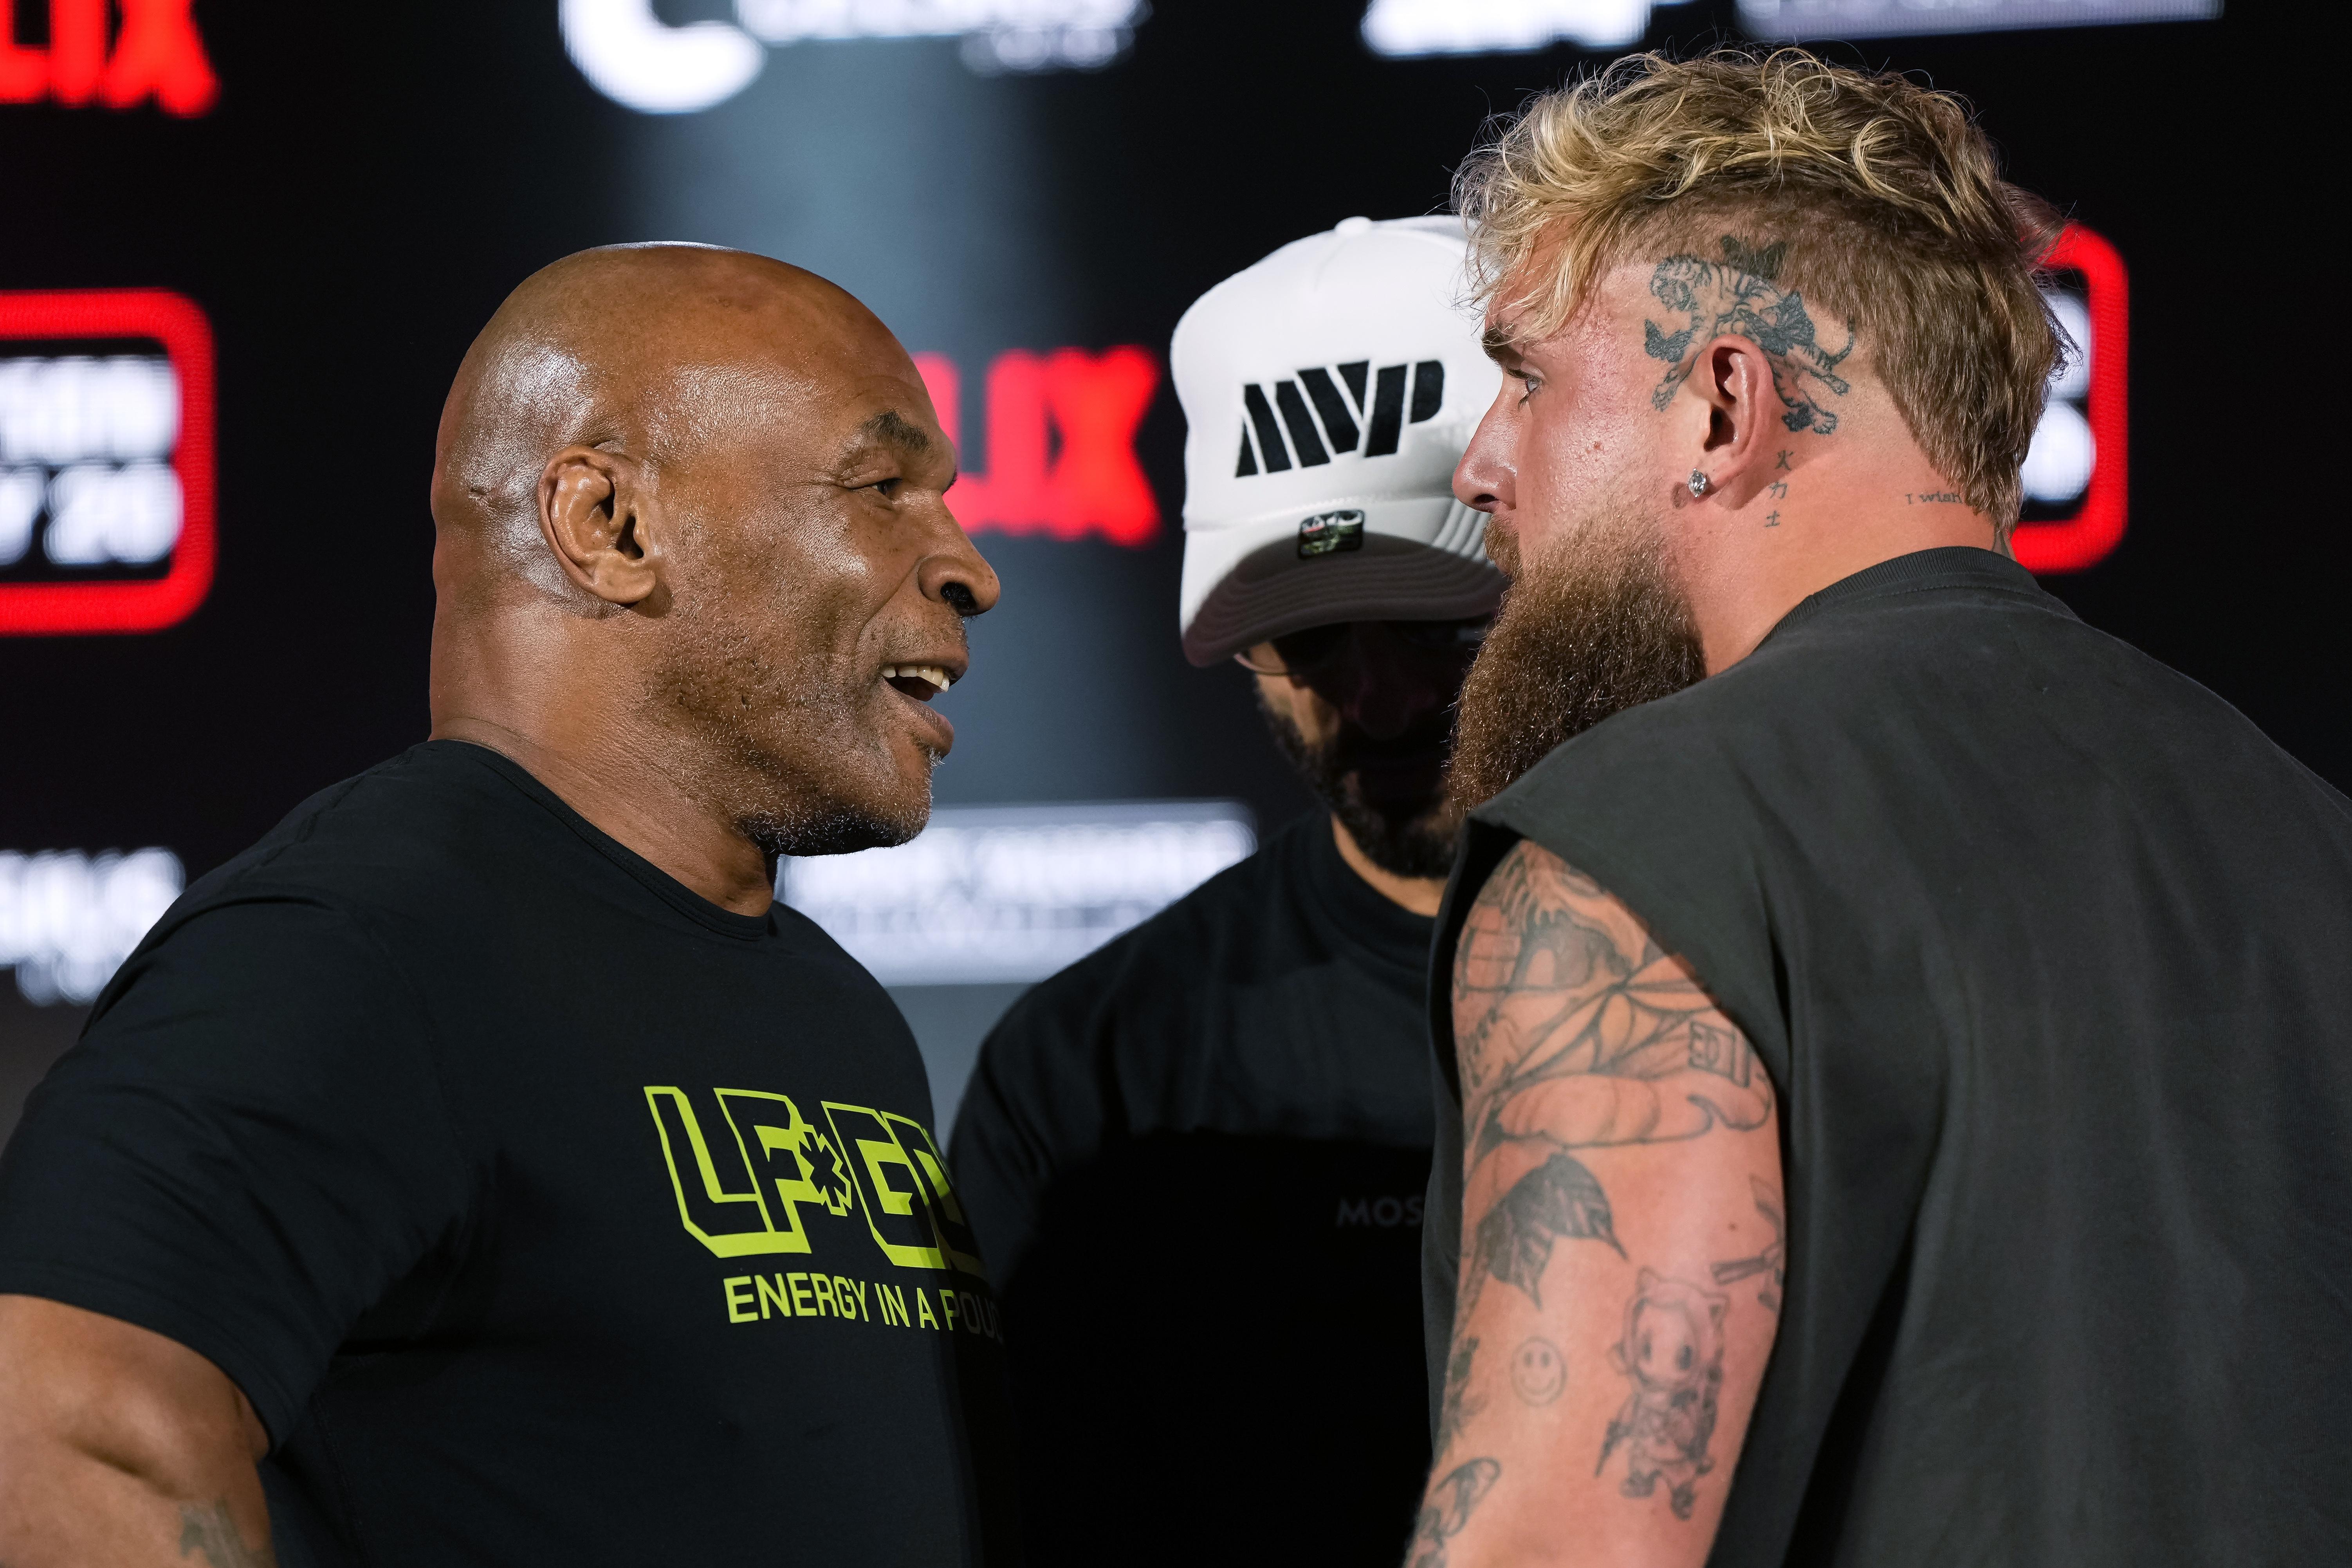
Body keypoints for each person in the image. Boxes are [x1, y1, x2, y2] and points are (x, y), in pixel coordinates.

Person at [1415, 49, 2352, 1568]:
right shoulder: (2315, 840)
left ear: (1723, 402)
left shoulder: (1636, 845)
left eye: (1523, 375)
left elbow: (1561, 1544)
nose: (1478, 466)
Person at [0, 245, 1016, 1565]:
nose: (970, 568)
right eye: (884, 487)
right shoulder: (360, 946)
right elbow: (62, 1423)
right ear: (610, 527)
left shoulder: (839, 1014)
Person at [948, 216, 1501, 1565]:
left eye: (1441, 626)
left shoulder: (1780, 967)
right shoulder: (1098, 1063)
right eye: (1309, 639)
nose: (1377, 698)